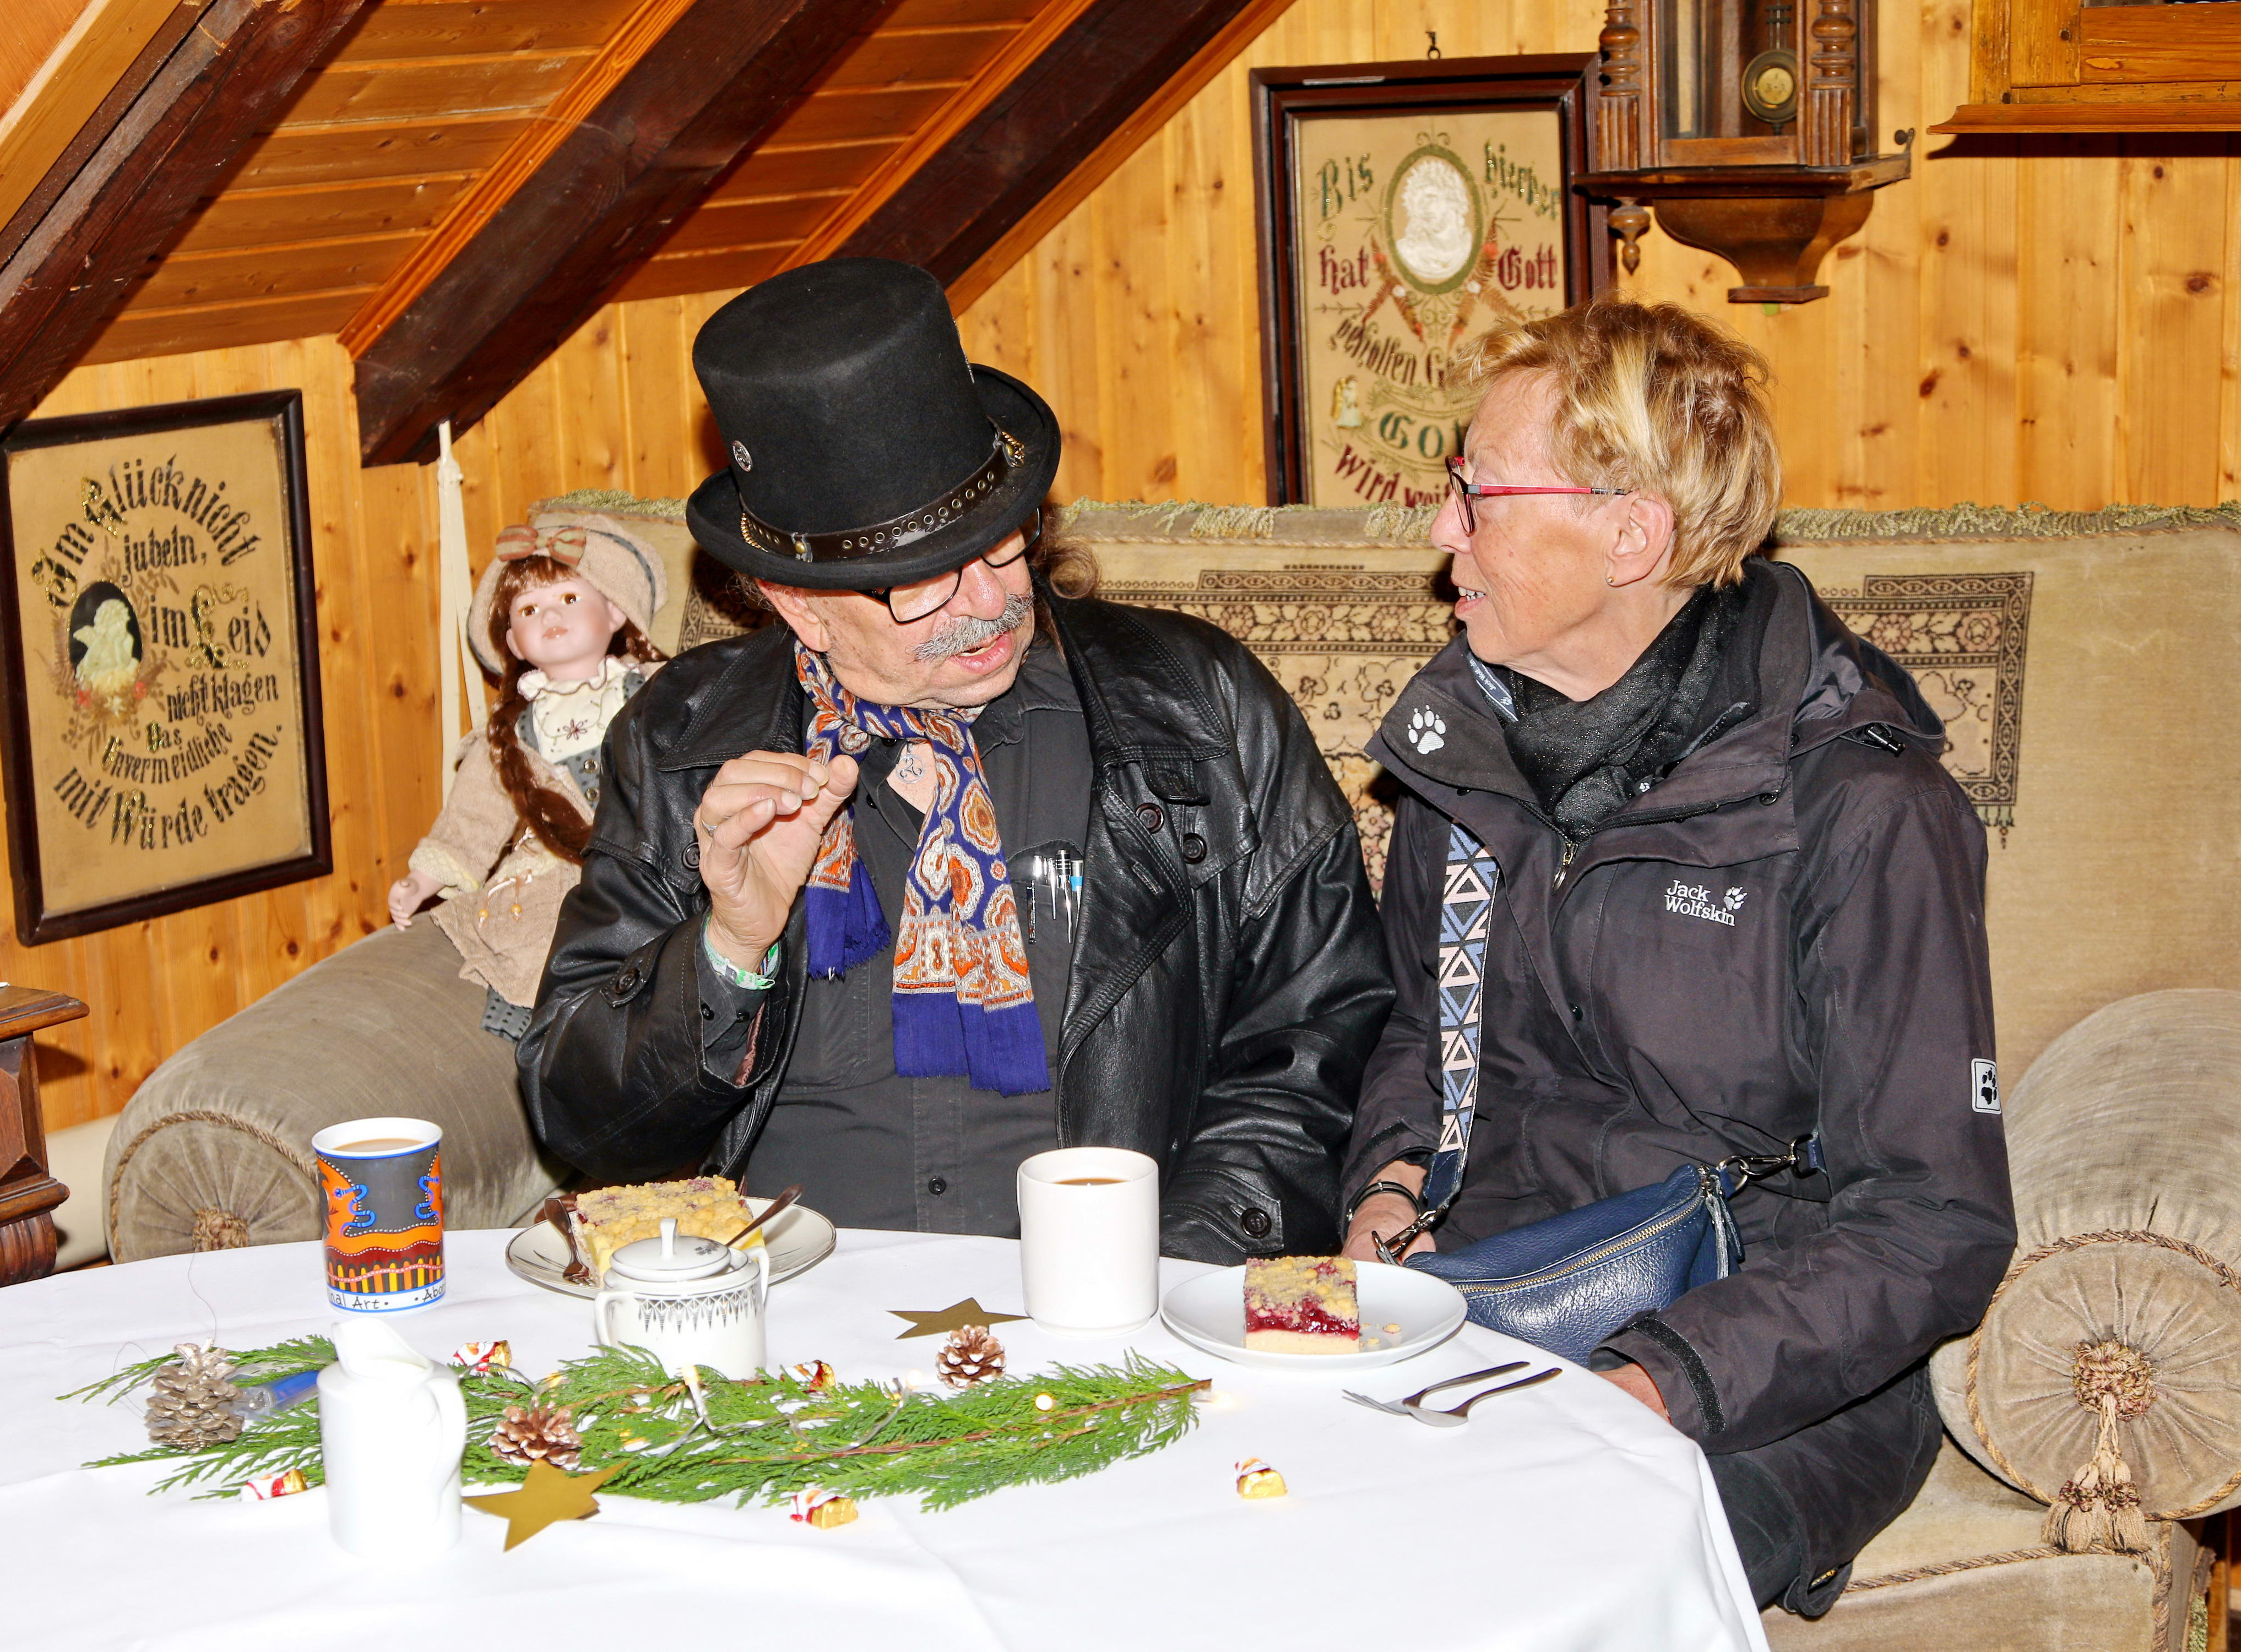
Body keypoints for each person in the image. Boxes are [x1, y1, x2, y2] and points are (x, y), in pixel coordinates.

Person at [1341, 299, 2015, 1616]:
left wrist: (1646, 1385)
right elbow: (1425, 1030)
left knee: (1519, 1588)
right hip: (1490, 1306)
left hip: (1763, 1364)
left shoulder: (1860, 805)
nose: (1439, 533)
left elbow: (1933, 1222)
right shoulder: (1457, 752)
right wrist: (1389, 1185)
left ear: (1630, 535)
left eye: (1478, 495)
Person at [520, 257, 1391, 1262]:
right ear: (800, 604)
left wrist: (1163, 1277)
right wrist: (730, 949)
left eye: (999, 543)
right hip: (794, 1314)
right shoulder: (683, 740)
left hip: (1118, 1301)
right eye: (921, 582)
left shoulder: (1199, 707)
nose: (988, 600)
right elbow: (582, 1122)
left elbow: (1317, 1037)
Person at [388, 515, 665, 1041]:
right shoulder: (508, 736)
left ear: (614, 612)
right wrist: (422, 880)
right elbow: (471, 820)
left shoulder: (659, 689)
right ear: (514, 642)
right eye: (529, 610)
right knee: (542, 935)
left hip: (656, 857)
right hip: (559, 876)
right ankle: (555, 1031)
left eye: (569, 598)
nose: (550, 617)